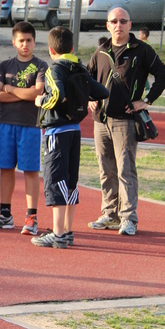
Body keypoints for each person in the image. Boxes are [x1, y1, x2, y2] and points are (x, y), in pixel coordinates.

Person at [87, 7, 165, 235]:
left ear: (130, 25)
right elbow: (86, 78)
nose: (118, 25)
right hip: (100, 120)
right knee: (106, 170)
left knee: (126, 170)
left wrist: (147, 101)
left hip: (125, 121)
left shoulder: (142, 50)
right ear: (107, 25)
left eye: (123, 21)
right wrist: (89, 100)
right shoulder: (101, 51)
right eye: (114, 21)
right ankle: (110, 214)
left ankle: (128, 219)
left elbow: (163, 74)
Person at [32, 27, 108, 248]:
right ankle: (67, 231)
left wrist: (41, 102)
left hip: (57, 130)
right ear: (72, 48)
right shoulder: (81, 68)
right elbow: (103, 91)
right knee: (70, 180)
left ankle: (57, 235)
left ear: (51, 49)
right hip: (75, 130)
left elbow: (57, 94)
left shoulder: (54, 69)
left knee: (56, 180)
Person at [0, 21, 47, 235]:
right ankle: (5, 214)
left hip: (30, 126)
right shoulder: (4, 66)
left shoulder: (41, 66)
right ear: (14, 42)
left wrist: (10, 88)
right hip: (6, 125)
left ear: (34, 42)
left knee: (30, 171)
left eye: (29, 40)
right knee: (6, 169)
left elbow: (36, 93)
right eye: (21, 40)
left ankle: (31, 217)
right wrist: (20, 92)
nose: (25, 44)